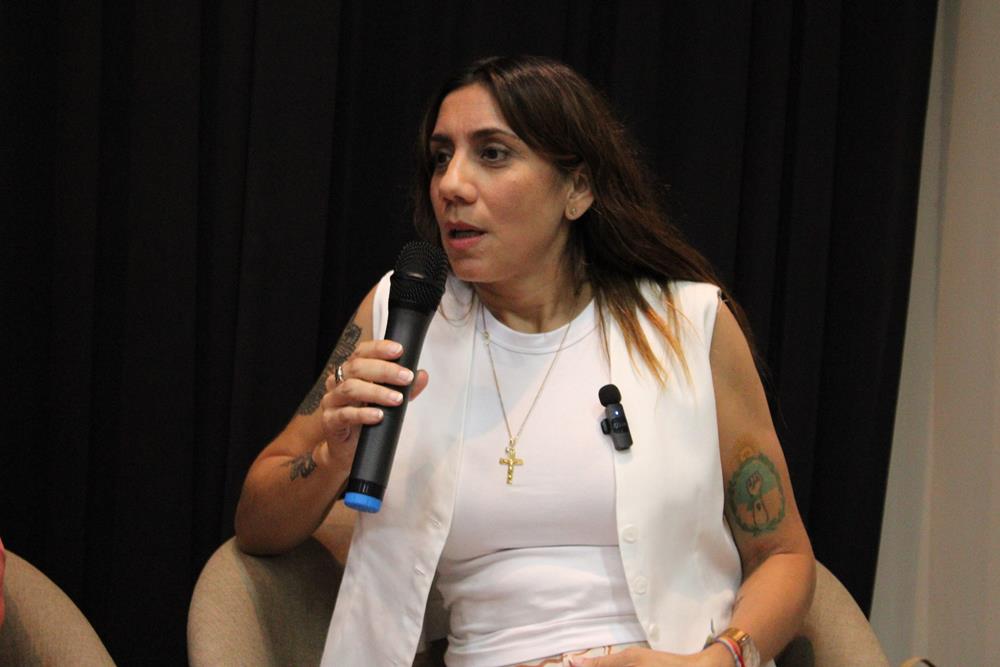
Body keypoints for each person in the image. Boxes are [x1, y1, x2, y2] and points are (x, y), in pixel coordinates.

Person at [235, 55, 815, 667]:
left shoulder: (689, 325)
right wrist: (333, 458)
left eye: (492, 153)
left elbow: (782, 554)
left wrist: (718, 661)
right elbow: (257, 523)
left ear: (577, 189)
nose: (451, 185)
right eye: (441, 157)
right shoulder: (398, 314)